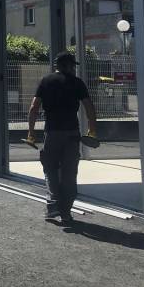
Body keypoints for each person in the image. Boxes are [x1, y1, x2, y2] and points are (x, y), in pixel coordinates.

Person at [27, 51, 97, 224]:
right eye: (73, 65)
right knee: (70, 172)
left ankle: (53, 208)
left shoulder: (46, 81)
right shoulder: (77, 83)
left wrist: (31, 132)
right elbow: (89, 107)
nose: (74, 68)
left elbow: (34, 107)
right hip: (72, 133)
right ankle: (66, 212)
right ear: (67, 65)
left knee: (50, 169)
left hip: (52, 132)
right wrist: (92, 131)